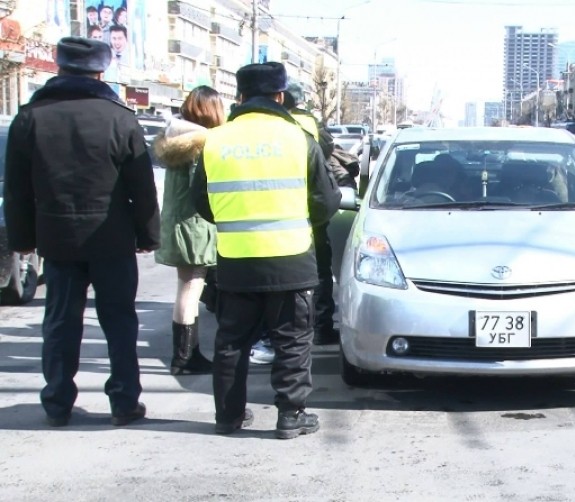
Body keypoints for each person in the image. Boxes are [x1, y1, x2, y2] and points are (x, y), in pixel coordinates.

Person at [3, 37, 160, 427]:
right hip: (112, 236)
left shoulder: (30, 117)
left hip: (57, 238)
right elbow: (140, 186)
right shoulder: (119, 118)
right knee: (120, 320)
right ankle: (124, 401)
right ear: (101, 71)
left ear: (59, 67)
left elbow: (17, 190)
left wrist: (23, 239)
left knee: (59, 321)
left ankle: (57, 401)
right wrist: (148, 234)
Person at [191, 62, 340, 438]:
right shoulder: (297, 138)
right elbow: (325, 202)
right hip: (291, 259)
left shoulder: (216, 140)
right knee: (292, 340)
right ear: (280, 96)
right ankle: (291, 416)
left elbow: (202, 203)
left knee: (231, 342)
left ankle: (228, 417)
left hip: (236, 261)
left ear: (239, 97)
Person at [153, 86, 224, 375]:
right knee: (191, 289)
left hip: (178, 222)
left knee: (186, 288)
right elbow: (203, 190)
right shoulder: (201, 144)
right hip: (195, 226)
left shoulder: (175, 139)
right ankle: (185, 357)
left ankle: (186, 354)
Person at [283, 81, 357, 346]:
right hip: (309, 211)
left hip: (275, 212)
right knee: (319, 271)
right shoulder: (310, 125)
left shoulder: (267, 128)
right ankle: (321, 326)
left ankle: (281, 330)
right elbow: (325, 154)